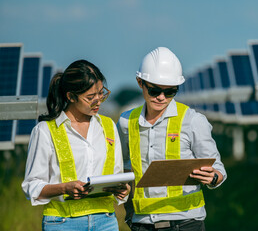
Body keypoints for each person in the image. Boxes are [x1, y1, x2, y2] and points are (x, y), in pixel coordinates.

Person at [117, 47, 227, 231]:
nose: (161, 97)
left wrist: (214, 177)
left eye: (170, 92)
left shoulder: (193, 121)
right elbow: (122, 166)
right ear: (140, 82)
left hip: (186, 223)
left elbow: (218, 169)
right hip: (142, 224)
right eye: (154, 90)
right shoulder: (126, 121)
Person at [21, 59, 130, 231]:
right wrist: (64, 188)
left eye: (101, 93)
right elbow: (32, 186)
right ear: (70, 96)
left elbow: (116, 175)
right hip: (62, 223)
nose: (98, 101)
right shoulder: (45, 131)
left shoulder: (109, 127)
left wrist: (122, 189)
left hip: (106, 221)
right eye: (90, 97)